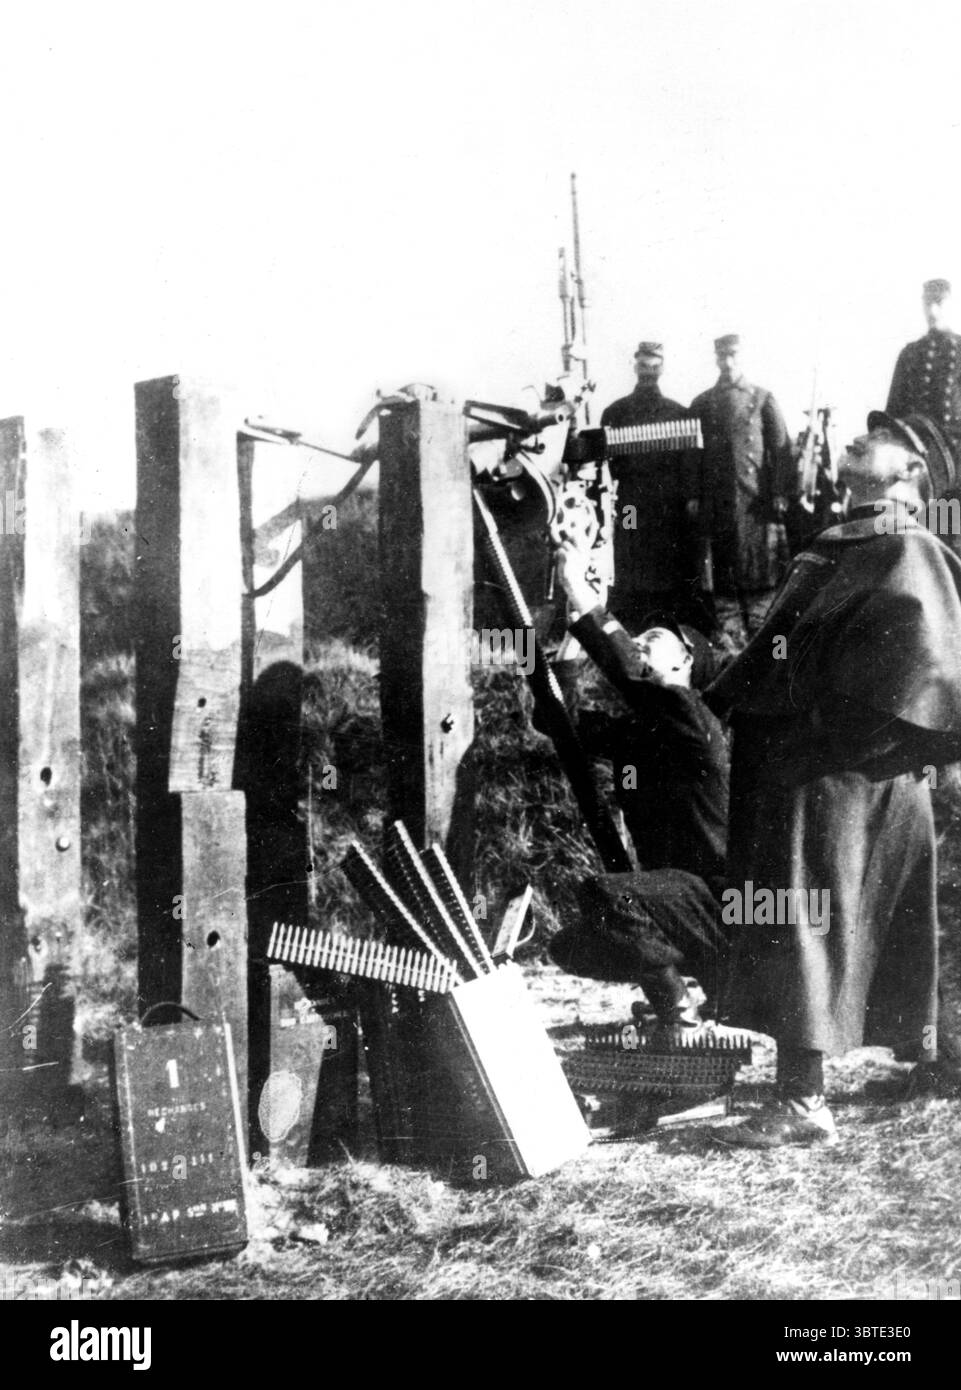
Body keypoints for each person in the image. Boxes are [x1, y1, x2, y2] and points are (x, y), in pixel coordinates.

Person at [707, 410, 961, 1148]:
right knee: (796, 915)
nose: (857, 436)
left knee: (803, 915)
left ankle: (801, 1101)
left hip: (846, 775)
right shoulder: (836, 544)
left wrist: (829, 738)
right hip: (808, 768)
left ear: (912, 473)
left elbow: (929, 672)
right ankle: (827, 1085)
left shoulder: (907, 548)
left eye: (879, 438)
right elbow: (772, 654)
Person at [546, 537, 731, 1032]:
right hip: (679, 903)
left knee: (610, 896)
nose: (643, 640)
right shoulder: (647, 733)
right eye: (640, 634)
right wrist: (565, 635)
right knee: (570, 945)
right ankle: (700, 992)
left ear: (685, 664)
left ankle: (681, 1017)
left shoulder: (693, 717)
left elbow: (629, 672)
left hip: (721, 904)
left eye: (657, 638)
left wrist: (581, 596)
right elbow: (559, 722)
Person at [690, 334, 796, 654]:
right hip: (718, 504)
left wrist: (779, 492)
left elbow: (782, 450)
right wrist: (693, 494)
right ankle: (731, 651)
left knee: (761, 579)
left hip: (756, 504)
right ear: (716, 358)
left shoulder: (762, 399)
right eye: (722, 356)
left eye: (733, 355)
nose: (728, 362)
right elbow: (692, 455)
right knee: (724, 583)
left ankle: (767, 651)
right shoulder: (703, 403)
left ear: (741, 356)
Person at [601, 341, 707, 633]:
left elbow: (689, 462)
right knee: (630, 551)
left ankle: (668, 621)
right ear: (635, 366)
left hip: (666, 503)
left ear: (662, 368)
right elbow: (606, 462)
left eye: (654, 365)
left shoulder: (678, 413)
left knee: (667, 558)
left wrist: (688, 497)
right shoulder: (615, 412)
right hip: (631, 501)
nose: (648, 371)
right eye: (643, 365)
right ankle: (632, 621)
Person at [887, 279, 961, 472]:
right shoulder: (909, 353)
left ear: (952, 304)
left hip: (956, 460)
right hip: (915, 462)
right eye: (928, 303)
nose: (932, 311)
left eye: (939, 303)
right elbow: (893, 414)